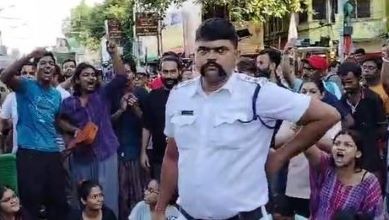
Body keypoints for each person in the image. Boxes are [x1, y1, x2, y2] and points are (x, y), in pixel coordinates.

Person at [155, 18, 340, 220]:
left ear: (236, 54)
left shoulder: (258, 93)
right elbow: (172, 156)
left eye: (220, 50)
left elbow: (327, 116)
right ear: (195, 55)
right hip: (188, 214)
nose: (211, 57)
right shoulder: (179, 95)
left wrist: (280, 156)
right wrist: (160, 209)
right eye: (204, 50)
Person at [59, 42, 126, 216]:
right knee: (84, 197)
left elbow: (121, 78)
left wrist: (114, 54)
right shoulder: (68, 103)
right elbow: (59, 121)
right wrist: (75, 131)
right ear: (77, 80)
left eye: (93, 75)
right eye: (86, 75)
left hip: (106, 153)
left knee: (107, 197)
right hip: (81, 157)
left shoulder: (102, 95)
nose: (91, 78)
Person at [1, 49, 68, 220]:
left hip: (52, 154)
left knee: (58, 203)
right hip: (30, 153)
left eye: (51, 64)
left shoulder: (56, 95)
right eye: (43, 63)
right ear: (36, 68)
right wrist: (29, 54)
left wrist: (74, 133)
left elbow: (57, 121)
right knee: (30, 204)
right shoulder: (25, 86)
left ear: (55, 70)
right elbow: (5, 76)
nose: (47, 66)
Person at [275, 79, 341, 219]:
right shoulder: (291, 117)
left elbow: (333, 146)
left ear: (322, 95)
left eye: (312, 91)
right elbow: (278, 141)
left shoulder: (331, 116)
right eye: (303, 91)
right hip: (296, 183)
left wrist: (306, 130)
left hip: (324, 180)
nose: (307, 95)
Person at [304, 130, 385, 219]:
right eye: (337, 144)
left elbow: (377, 216)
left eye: (347, 145)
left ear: (358, 153)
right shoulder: (326, 166)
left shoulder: (369, 182)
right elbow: (305, 144)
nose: (340, 148)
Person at [339, 62, 387, 189]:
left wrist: (362, 134)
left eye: (350, 81)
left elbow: (382, 128)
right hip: (350, 158)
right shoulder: (342, 101)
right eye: (343, 82)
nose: (346, 86)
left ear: (359, 78)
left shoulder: (373, 98)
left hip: (371, 155)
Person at [111, 72, 149, 220]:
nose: (126, 79)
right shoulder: (112, 95)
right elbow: (106, 123)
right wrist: (121, 109)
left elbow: (148, 123)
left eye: (129, 75)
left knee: (139, 194)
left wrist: (136, 108)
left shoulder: (142, 93)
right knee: (122, 195)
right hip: (117, 153)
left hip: (137, 152)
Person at [140, 53, 182, 180]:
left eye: (173, 72)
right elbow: (147, 126)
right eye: (165, 72)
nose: (169, 76)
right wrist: (143, 152)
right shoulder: (152, 97)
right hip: (160, 158)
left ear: (179, 71)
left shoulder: (189, 95)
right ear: (160, 73)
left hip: (186, 158)